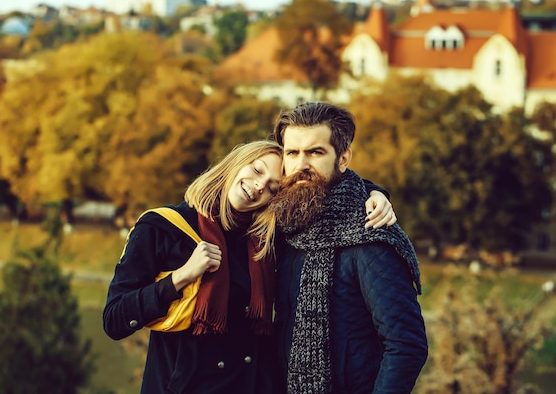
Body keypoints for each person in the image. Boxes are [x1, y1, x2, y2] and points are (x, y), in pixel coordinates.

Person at [102, 139, 395, 394]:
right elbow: (115, 320)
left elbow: (326, 192)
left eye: (272, 187)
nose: (258, 187)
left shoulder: (266, 238)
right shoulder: (162, 227)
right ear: (236, 163)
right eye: (256, 170)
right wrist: (180, 277)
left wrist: (374, 192)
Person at [270, 102, 428, 394]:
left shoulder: (369, 235)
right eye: (292, 153)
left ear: (343, 159)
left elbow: (406, 345)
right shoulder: (284, 225)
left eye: (315, 152)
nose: (301, 164)